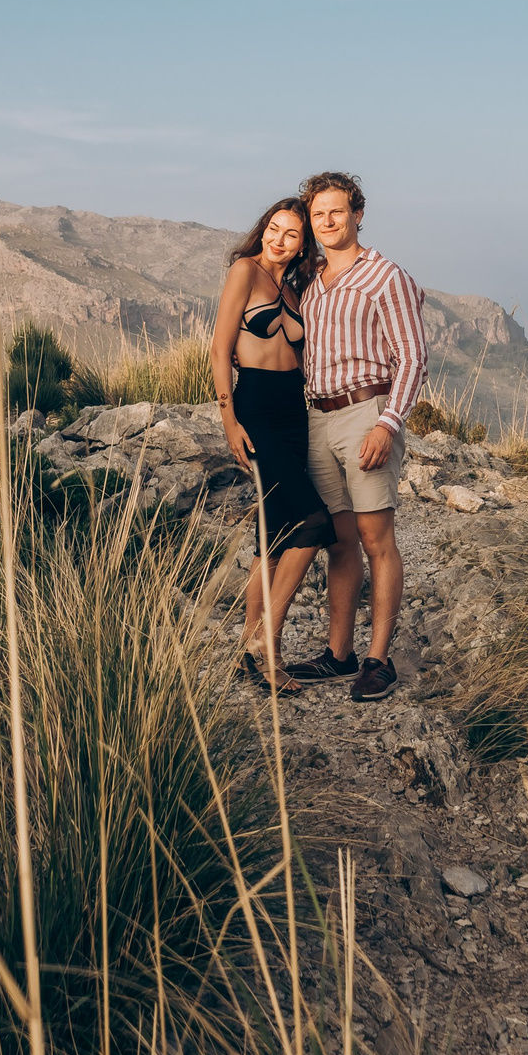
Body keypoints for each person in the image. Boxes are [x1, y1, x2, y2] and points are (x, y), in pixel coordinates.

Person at [287, 170, 426, 700]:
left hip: (365, 413)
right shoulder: (312, 282)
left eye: (337, 211)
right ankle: (338, 654)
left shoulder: (385, 276)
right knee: (339, 542)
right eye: (318, 214)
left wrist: (387, 424)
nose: (326, 221)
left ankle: (378, 659)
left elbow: (413, 358)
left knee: (375, 540)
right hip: (316, 418)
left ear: (357, 214)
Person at [211, 196, 335, 693]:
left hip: (293, 411)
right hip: (257, 407)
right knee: (314, 521)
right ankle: (268, 642)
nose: (278, 239)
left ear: (302, 243)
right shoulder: (245, 270)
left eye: (290, 234)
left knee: (275, 533)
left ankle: (247, 648)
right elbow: (220, 349)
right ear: (263, 229)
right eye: (273, 228)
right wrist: (229, 420)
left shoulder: (296, 286)